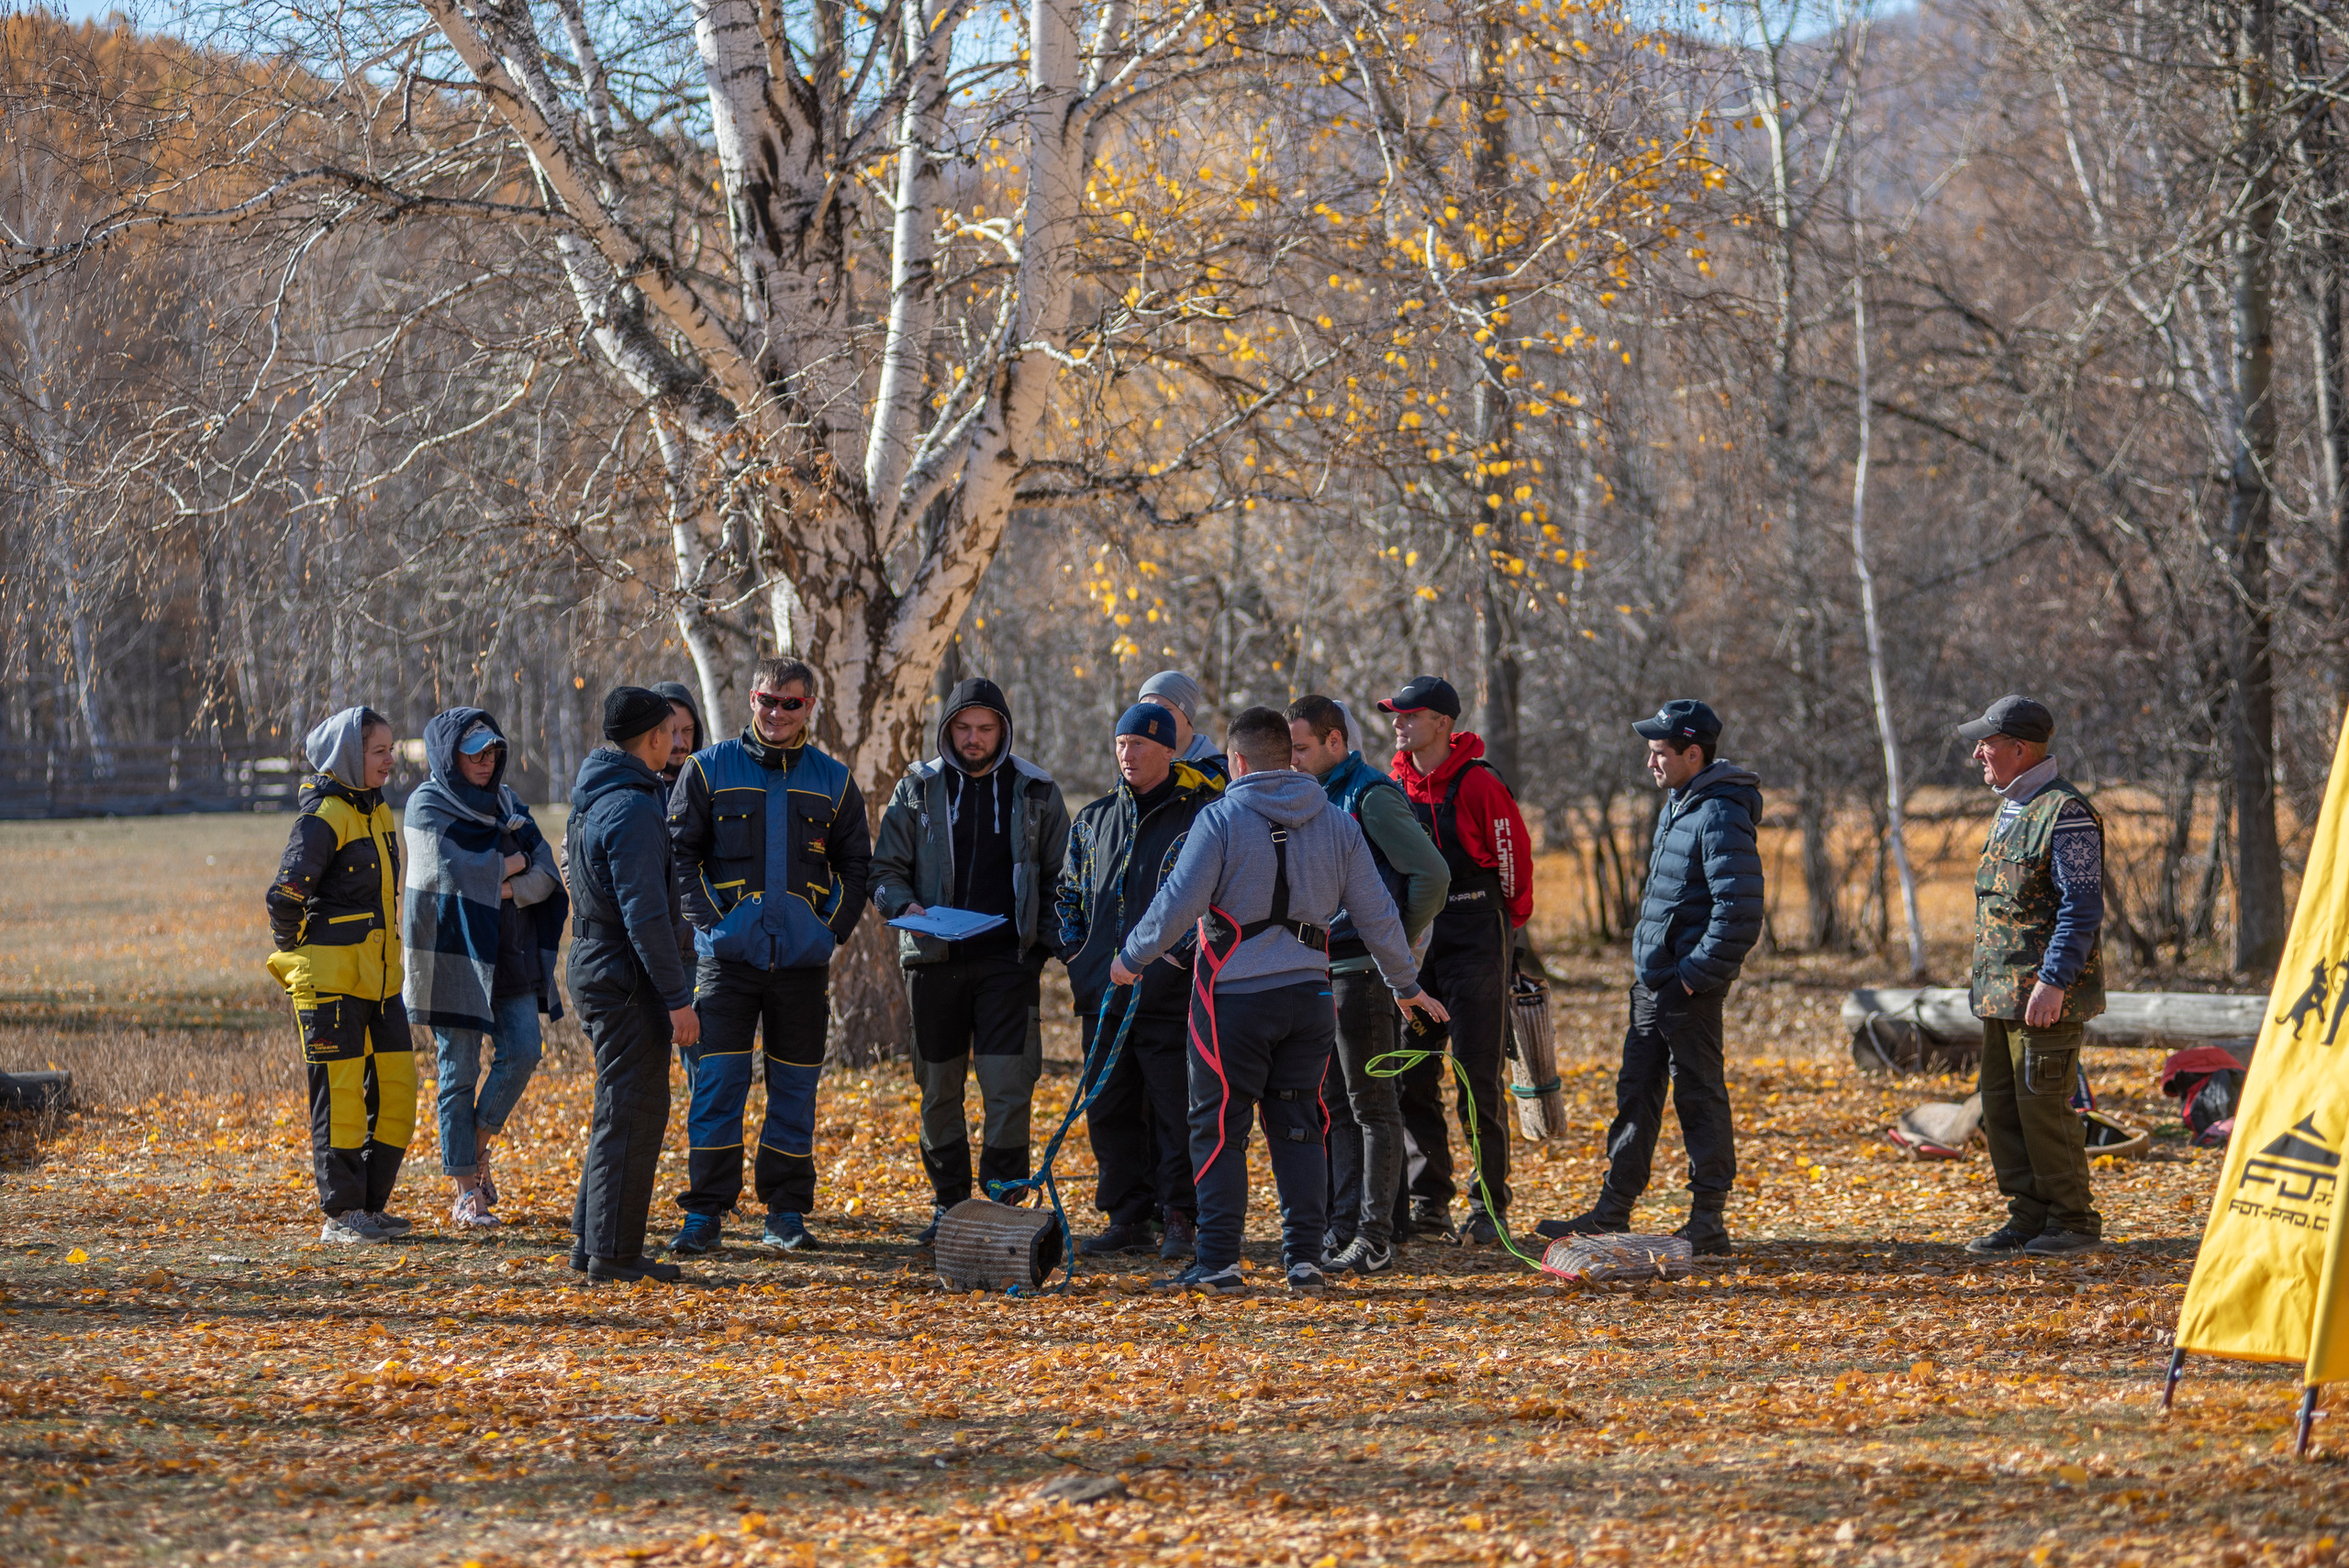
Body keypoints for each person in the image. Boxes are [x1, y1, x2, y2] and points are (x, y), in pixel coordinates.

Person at [1111, 706, 1445, 1296]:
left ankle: (1218, 1262)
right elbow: (1378, 914)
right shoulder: (1337, 822)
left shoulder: (1220, 819)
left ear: (1238, 762)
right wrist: (1405, 984)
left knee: (1219, 1127)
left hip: (1233, 1002)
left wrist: (1130, 959)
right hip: (1311, 998)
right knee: (1299, 1127)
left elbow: (1176, 904)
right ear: (1287, 757)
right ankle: (1305, 1261)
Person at [1538, 700, 1762, 1254]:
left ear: (1694, 753)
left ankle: (1708, 1220)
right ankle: (1612, 1211)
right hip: (1653, 984)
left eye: (1660, 753)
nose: (1651, 763)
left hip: (1687, 988)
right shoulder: (1679, 803)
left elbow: (1739, 913)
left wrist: (1692, 976)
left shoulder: (1720, 812)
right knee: (1635, 1094)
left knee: (1699, 1097)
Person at [665, 655, 873, 1254]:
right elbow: (681, 857)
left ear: (809, 707)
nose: (777, 713)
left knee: (795, 1089)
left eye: (791, 703)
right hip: (727, 965)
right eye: (767, 700)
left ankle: (785, 1212)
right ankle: (705, 1212)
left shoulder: (834, 780)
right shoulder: (707, 769)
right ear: (751, 699)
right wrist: (717, 924)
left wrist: (827, 931)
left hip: (802, 967)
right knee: (717, 1085)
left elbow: (856, 865)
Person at [871, 677, 1071, 1241]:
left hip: (1009, 964)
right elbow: (884, 870)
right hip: (934, 960)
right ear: (947, 730)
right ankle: (950, 1206)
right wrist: (901, 905)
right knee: (939, 1088)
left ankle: (1004, 1208)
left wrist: (1043, 947)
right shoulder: (916, 788)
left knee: (1009, 1087)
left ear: (1004, 730)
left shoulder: (1037, 789)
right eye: (963, 727)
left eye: (985, 728)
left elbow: (1062, 878)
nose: (974, 738)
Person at [1056, 703, 1225, 1261]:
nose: (1127, 755)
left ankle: (1180, 1215)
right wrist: (1078, 955)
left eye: (1140, 745)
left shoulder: (1203, 817)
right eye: (1121, 743)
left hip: (1171, 997)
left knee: (1176, 1112)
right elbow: (1067, 896)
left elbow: (1212, 899)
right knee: (1109, 1110)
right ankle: (1127, 1217)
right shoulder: (1093, 818)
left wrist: (1178, 958)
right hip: (1102, 997)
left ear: (1170, 751)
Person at [1288, 695, 1448, 1276]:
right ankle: (1342, 1226)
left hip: (1364, 972)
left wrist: (1393, 941)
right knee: (1336, 1105)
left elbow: (1432, 874)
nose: (1293, 759)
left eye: (1302, 748)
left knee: (1373, 1106)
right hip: (1321, 968)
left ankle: (1375, 1237)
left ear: (1336, 742)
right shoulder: (1316, 795)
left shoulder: (1371, 795)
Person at [1379, 675, 1534, 1245]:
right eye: (1396, 716)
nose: (1399, 724)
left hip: (1476, 937)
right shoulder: (1393, 781)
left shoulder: (1479, 782)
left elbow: (1514, 863)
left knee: (1477, 1076)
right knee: (1413, 1073)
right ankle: (1429, 1204)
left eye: (1410, 715)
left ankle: (1489, 1208)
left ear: (1442, 724)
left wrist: (1504, 932)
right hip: (1419, 943)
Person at [402, 708, 567, 1230]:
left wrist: (504, 884)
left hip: (508, 955)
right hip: (451, 956)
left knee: (524, 1051)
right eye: (474, 752)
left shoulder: (507, 801)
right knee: (458, 1073)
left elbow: (547, 873)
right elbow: (449, 874)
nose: (486, 760)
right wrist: (513, 863)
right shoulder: (426, 804)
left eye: (493, 750)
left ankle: (473, 1150)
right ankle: (465, 1192)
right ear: (448, 755)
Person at [1954, 695, 2106, 1258]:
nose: (1977, 754)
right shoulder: (2013, 806)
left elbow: (2081, 909)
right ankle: (2028, 1217)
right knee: (2002, 1108)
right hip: (2000, 996)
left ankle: (2072, 1221)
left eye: (1986, 743)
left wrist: (2054, 981)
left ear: (2019, 749)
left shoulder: (2066, 813)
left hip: (2042, 996)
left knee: (2043, 1110)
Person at [266, 707, 418, 1246]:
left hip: (382, 984)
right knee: (343, 1101)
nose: (390, 759)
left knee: (399, 1093)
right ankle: (342, 1214)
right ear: (351, 756)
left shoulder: (379, 811)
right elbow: (284, 896)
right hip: (331, 985)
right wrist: (302, 954)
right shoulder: (325, 816)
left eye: (391, 749)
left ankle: (370, 1207)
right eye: (379, 751)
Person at [566, 687, 699, 1284]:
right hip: (625, 975)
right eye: (672, 731)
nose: (677, 741)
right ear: (653, 737)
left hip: (600, 964)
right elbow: (645, 916)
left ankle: (591, 1243)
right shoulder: (633, 806)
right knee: (635, 1109)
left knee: (617, 1107)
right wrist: (677, 999)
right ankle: (614, 1254)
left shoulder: (600, 790)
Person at [1137, 670, 1228, 781]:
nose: (1154, 719)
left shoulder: (1216, 773)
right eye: (1145, 711)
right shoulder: (1135, 767)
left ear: (1187, 713)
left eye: (1165, 710)